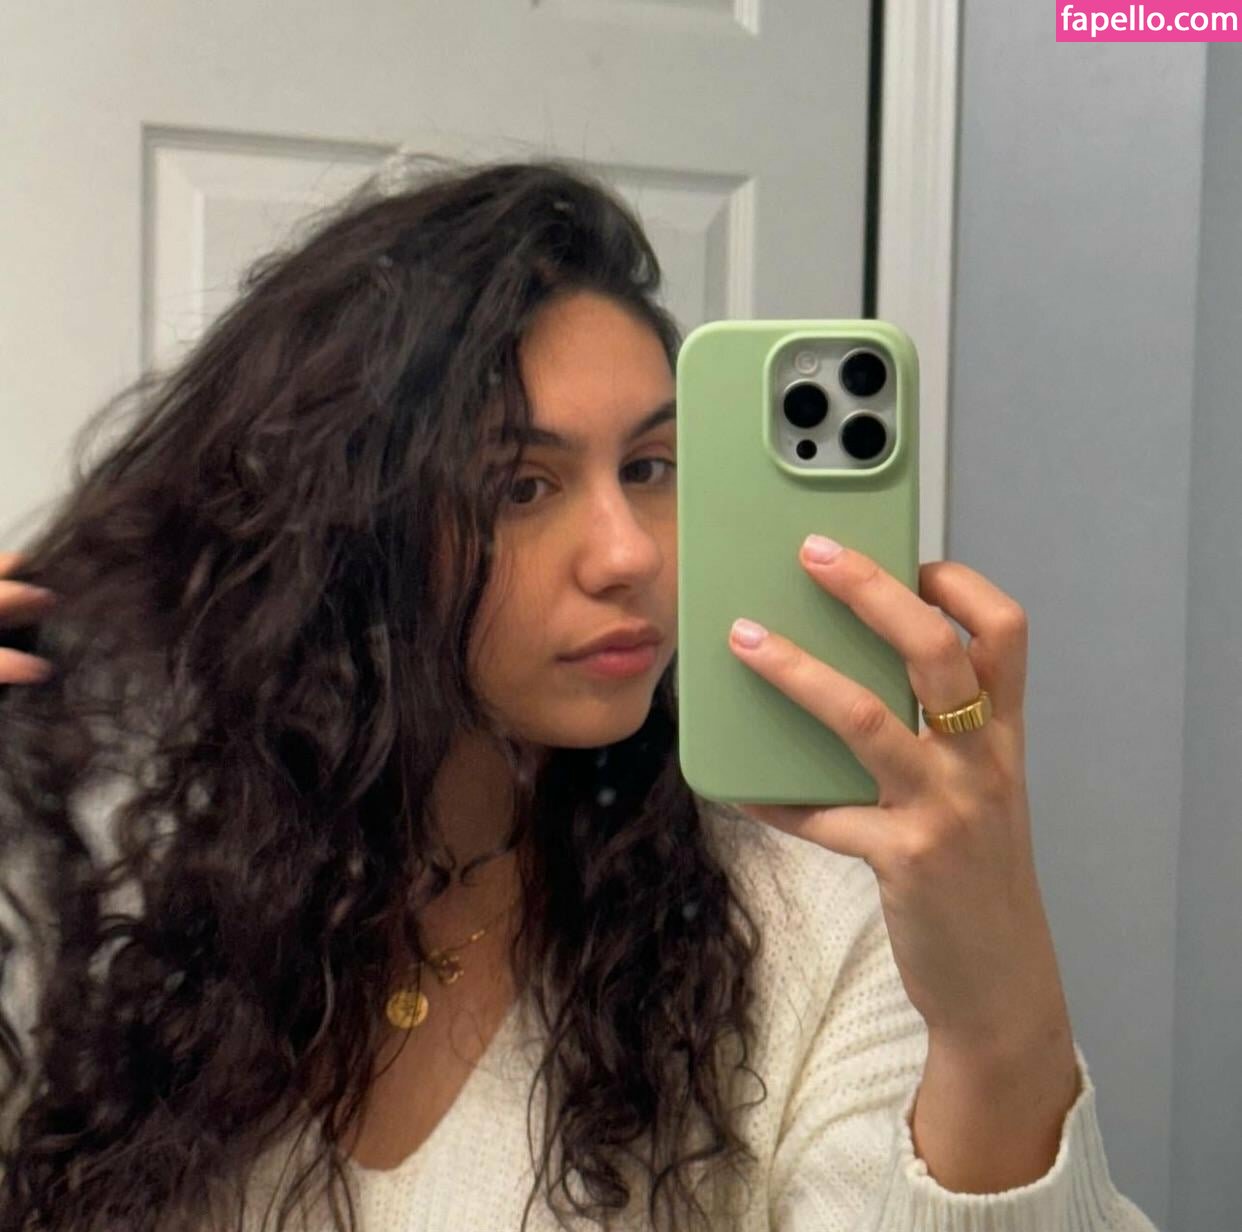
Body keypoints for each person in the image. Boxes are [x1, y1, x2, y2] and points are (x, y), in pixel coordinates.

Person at [0, 155, 1157, 1232]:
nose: (628, 553)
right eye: (521, 485)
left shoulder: (820, 935)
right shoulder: (121, 908)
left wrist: (999, 1018)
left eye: (649, 467)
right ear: (340, 537)